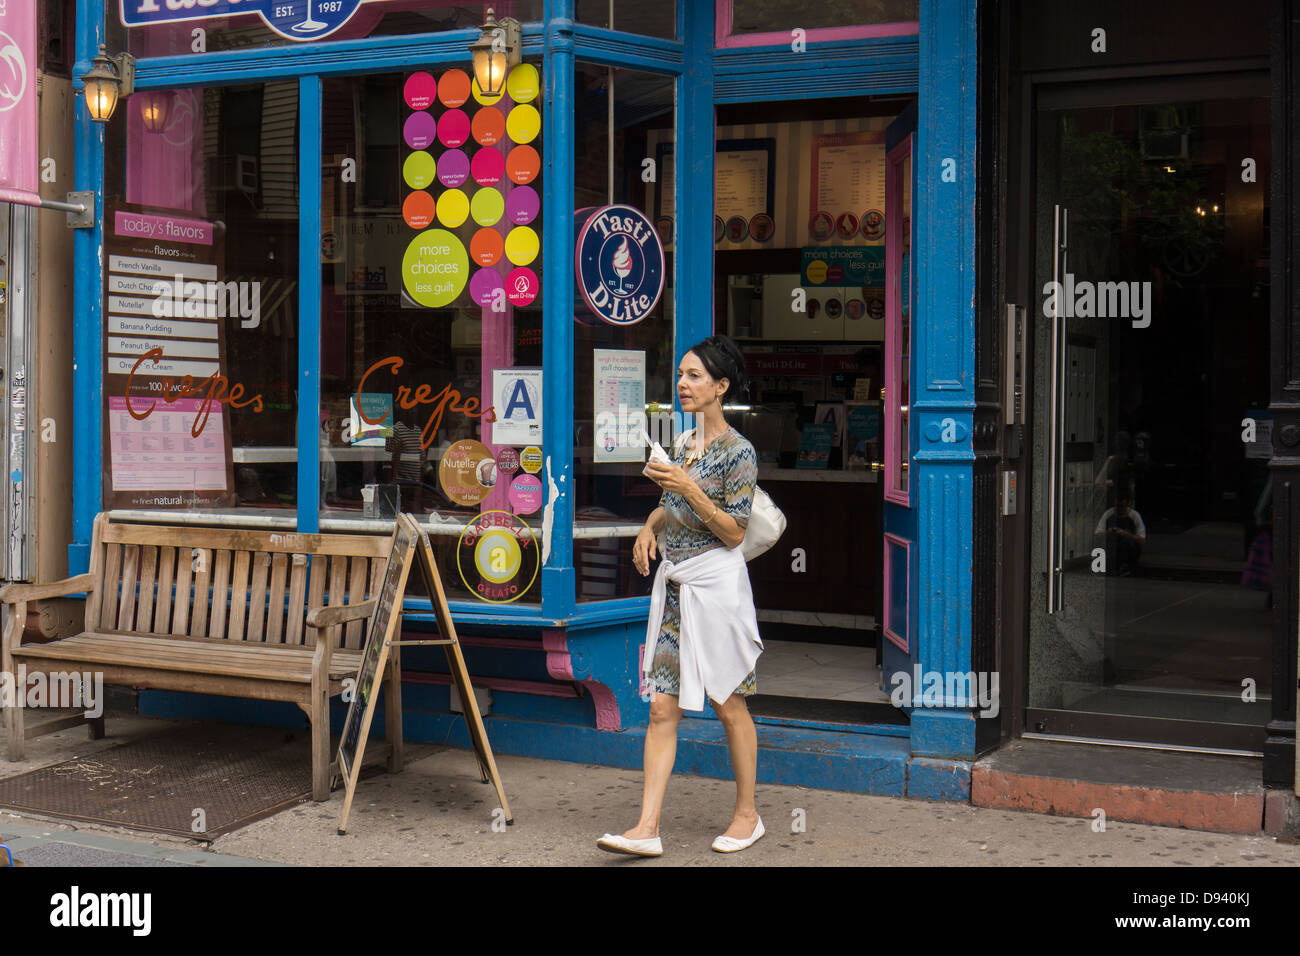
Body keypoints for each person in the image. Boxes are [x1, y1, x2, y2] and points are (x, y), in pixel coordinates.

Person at [597, 335, 765, 858]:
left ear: (721, 386)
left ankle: (748, 815)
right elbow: (672, 509)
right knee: (661, 708)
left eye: (695, 376)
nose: (683, 384)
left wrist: (688, 488)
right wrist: (650, 527)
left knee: (728, 703)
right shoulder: (684, 442)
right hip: (674, 590)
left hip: (714, 591)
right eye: (682, 375)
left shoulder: (739, 452)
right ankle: (646, 827)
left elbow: (735, 532)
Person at [1094, 493, 1146, 576]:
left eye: (1122, 506)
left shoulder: (1134, 516)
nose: (1119, 509)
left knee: (1127, 540)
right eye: (1117, 506)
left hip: (1129, 549)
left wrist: (1126, 534)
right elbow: (1097, 534)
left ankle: (1125, 565)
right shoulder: (1109, 514)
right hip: (1112, 548)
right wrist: (1108, 533)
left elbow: (1142, 540)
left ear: (1127, 505)